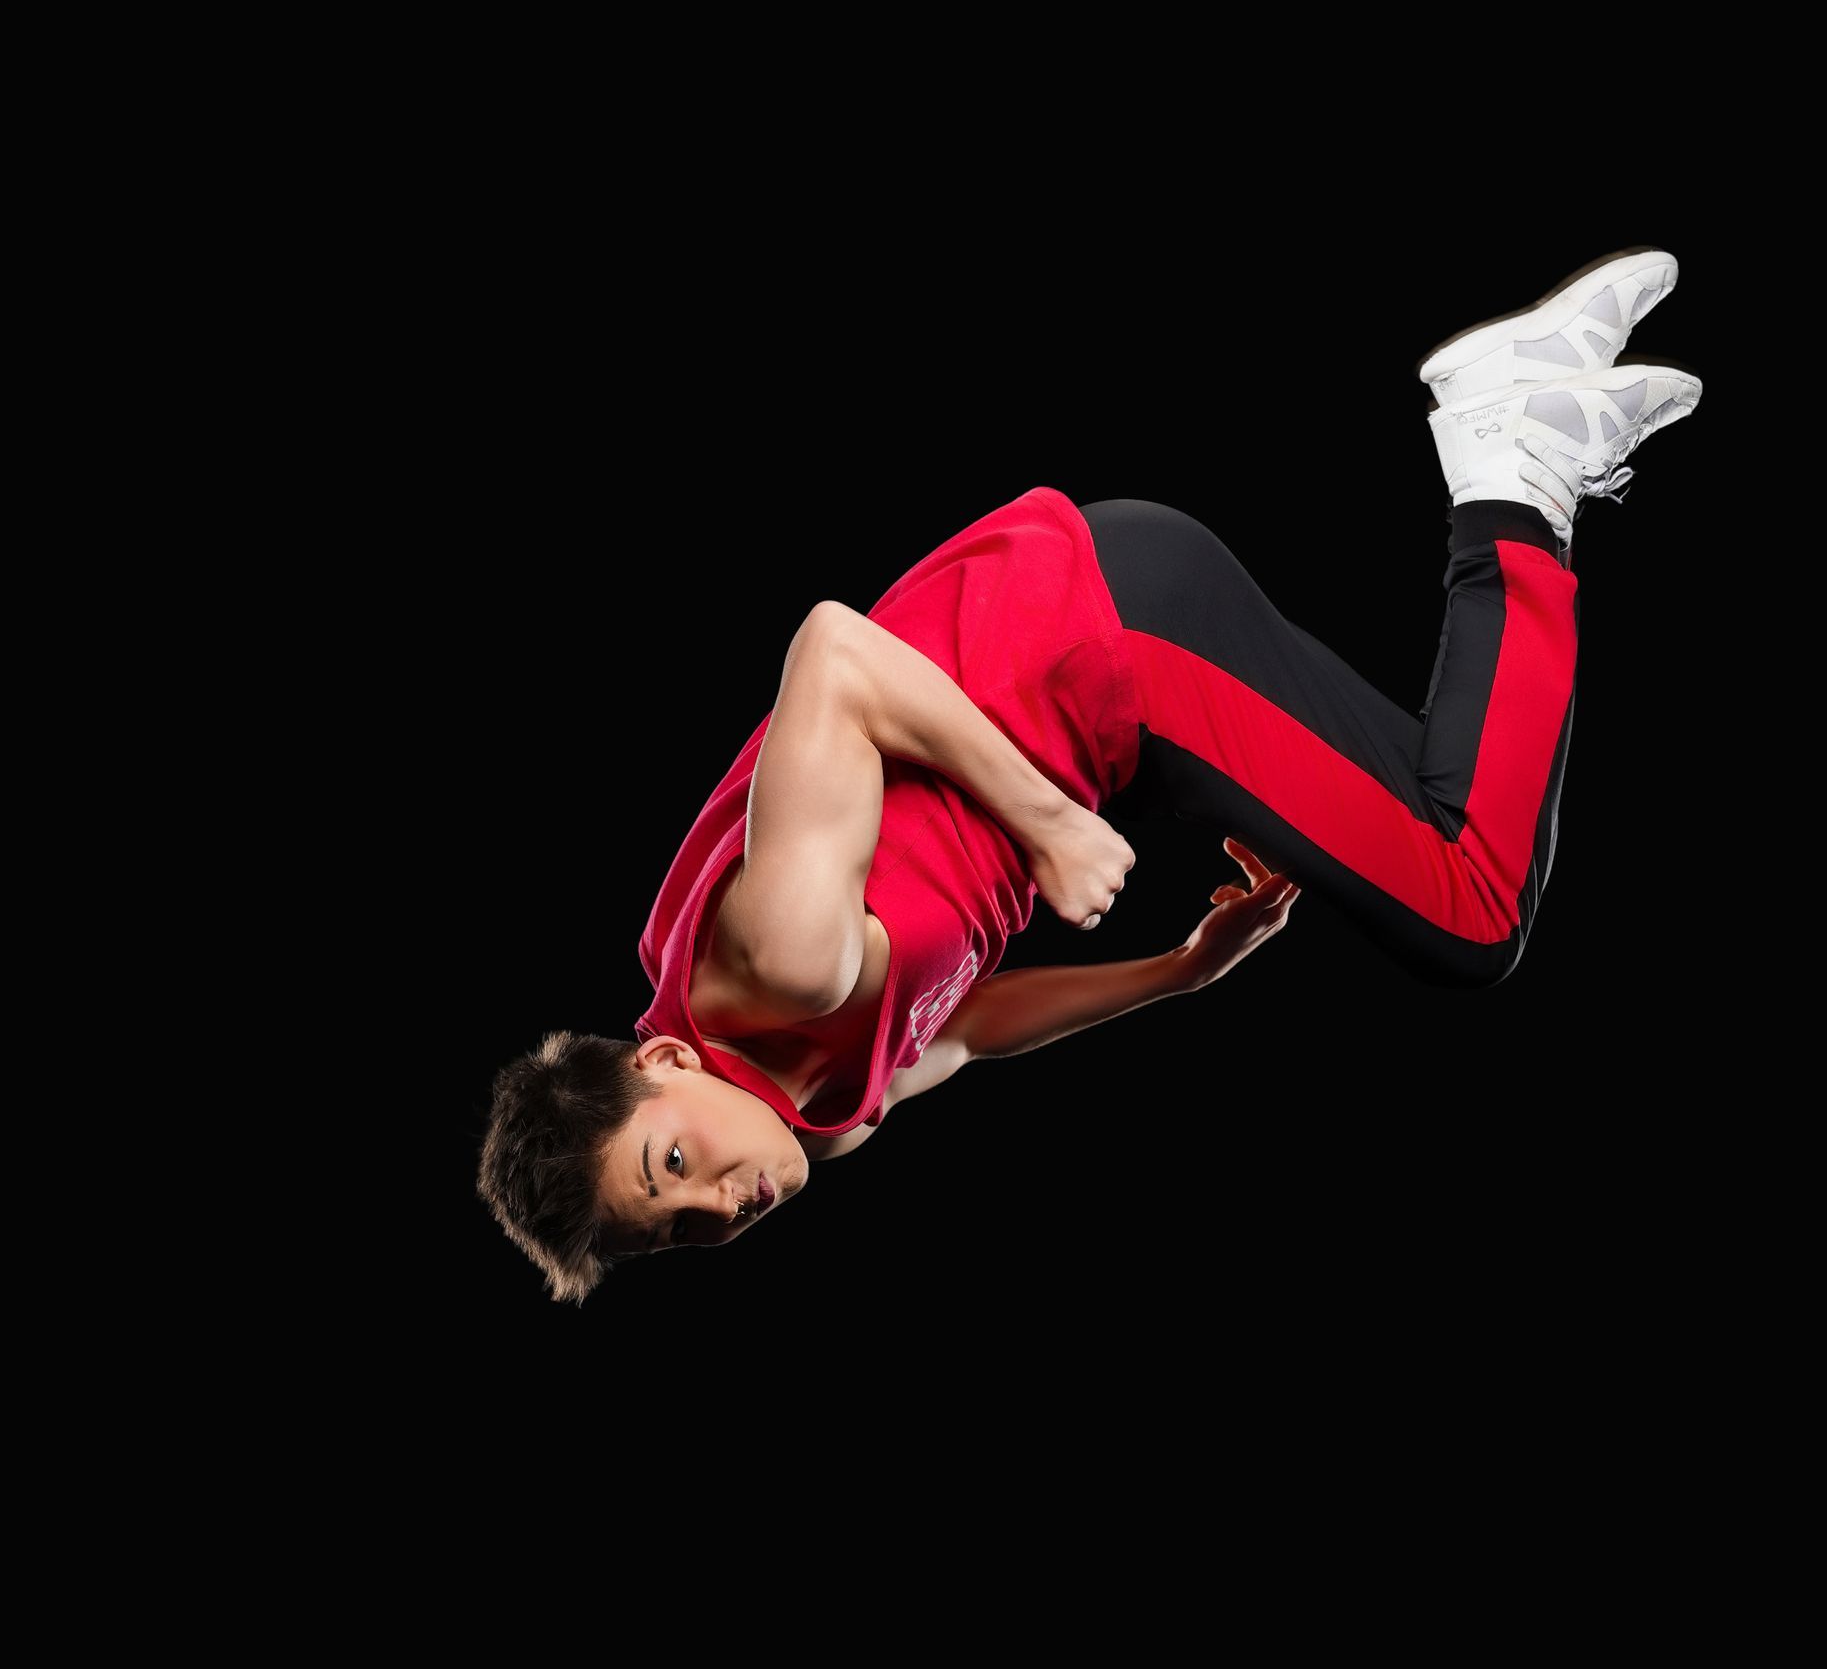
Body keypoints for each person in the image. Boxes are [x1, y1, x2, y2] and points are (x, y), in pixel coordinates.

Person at [477, 248, 1702, 1301]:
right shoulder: (816, 1113)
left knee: (1470, 906)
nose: (718, 1208)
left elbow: (834, 651)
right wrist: (1176, 974)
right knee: (1436, 842)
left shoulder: (778, 957)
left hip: (1103, 637)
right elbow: (960, 1027)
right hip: (1109, 692)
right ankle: (1530, 413)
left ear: (665, 1066)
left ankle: (1512, 464)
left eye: (671, 1167)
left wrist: (1051, 823)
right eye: (681, 1233)